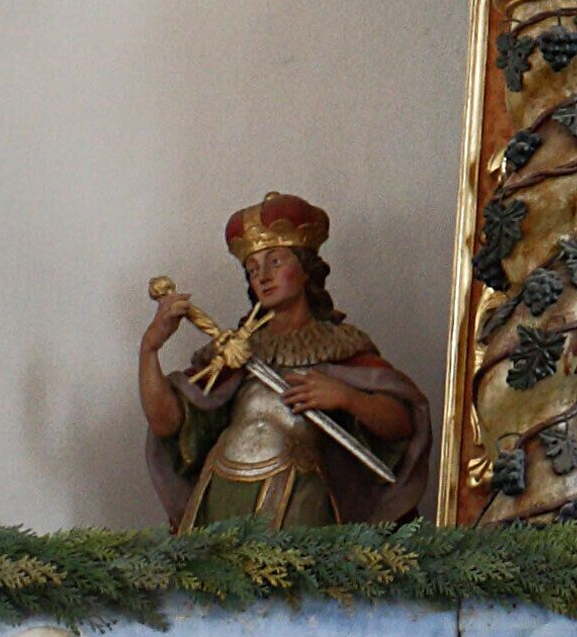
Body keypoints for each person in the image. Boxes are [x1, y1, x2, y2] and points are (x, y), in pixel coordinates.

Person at [142, 192, 429, 529]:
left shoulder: (340, 345)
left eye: (276, 262)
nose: (263, 276)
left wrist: (347, 397)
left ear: (306, 270)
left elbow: (401, 423)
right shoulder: (234, 353)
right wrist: (150, 348)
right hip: (223, 487)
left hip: (300, 490)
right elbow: (166, 423)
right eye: (253, 268)